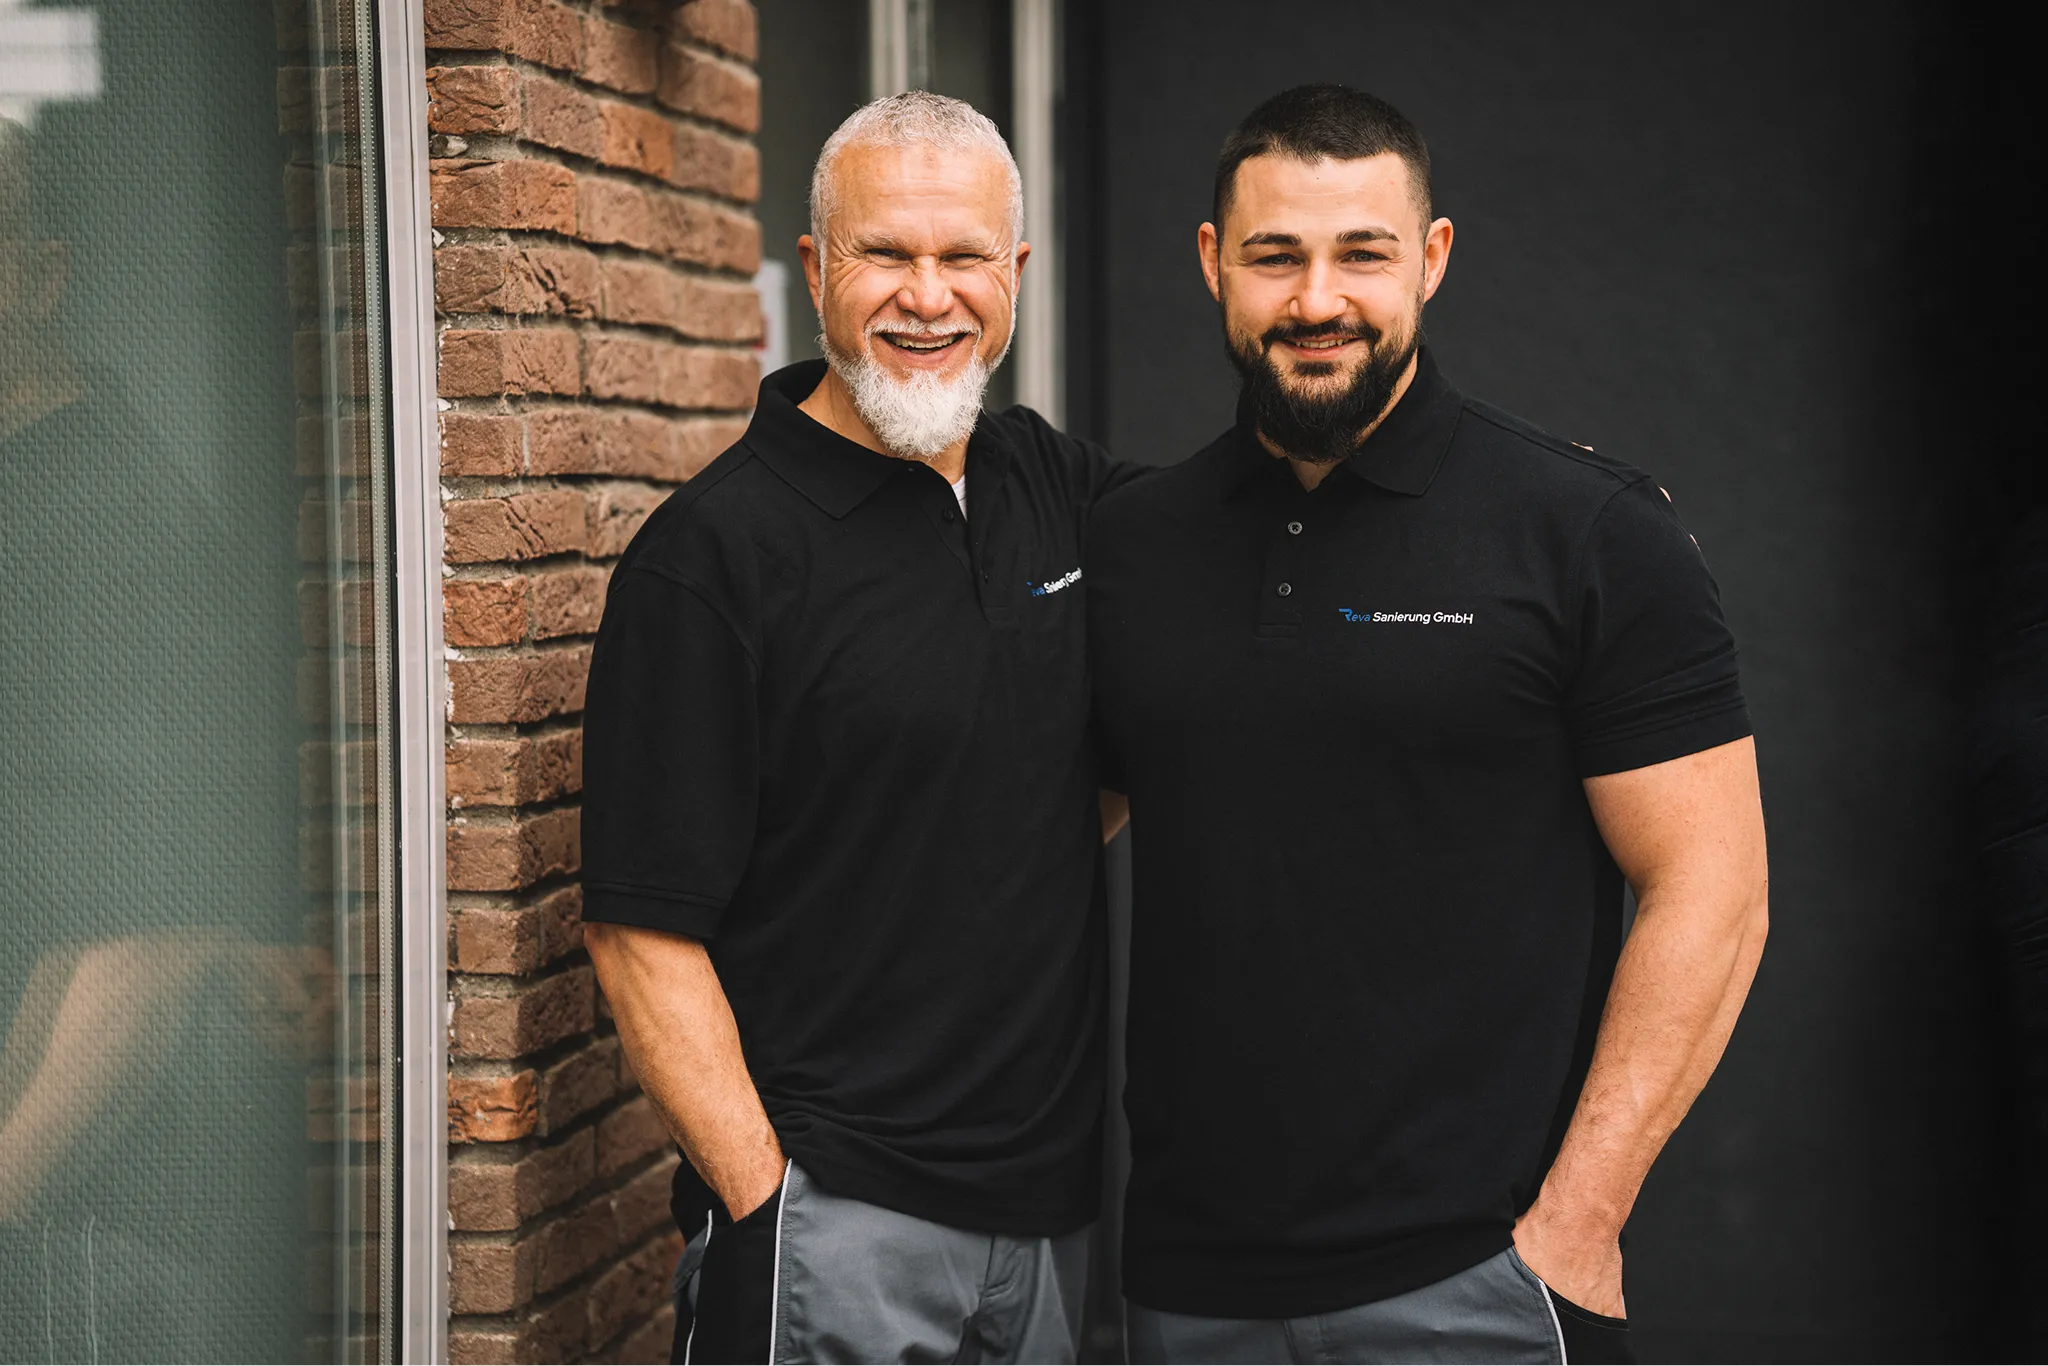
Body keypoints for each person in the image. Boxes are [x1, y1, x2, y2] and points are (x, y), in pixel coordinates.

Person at [1087, 85, 1770, 1366]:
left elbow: (1712, 887)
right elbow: (1051, 824)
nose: (1316, 299)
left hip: (1474, 1281)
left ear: (1432, 260)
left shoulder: (1584, 530)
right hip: (1187, 1283)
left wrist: (1578, 1222)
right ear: (1209, 263)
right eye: (1274, 254)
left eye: (1362, 253)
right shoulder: (1135, 543)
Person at [580, 92, 1133, 1366]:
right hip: (836, 1224)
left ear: (1015, 273)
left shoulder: (1053, 487)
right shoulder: (712, 558)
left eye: (962, 258)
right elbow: (635, 935)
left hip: (1048, 1223)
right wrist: (768, 1207)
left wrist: (1548, 515)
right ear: (816, 269)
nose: (926, 298)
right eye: (886, 254)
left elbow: (1255, 555)